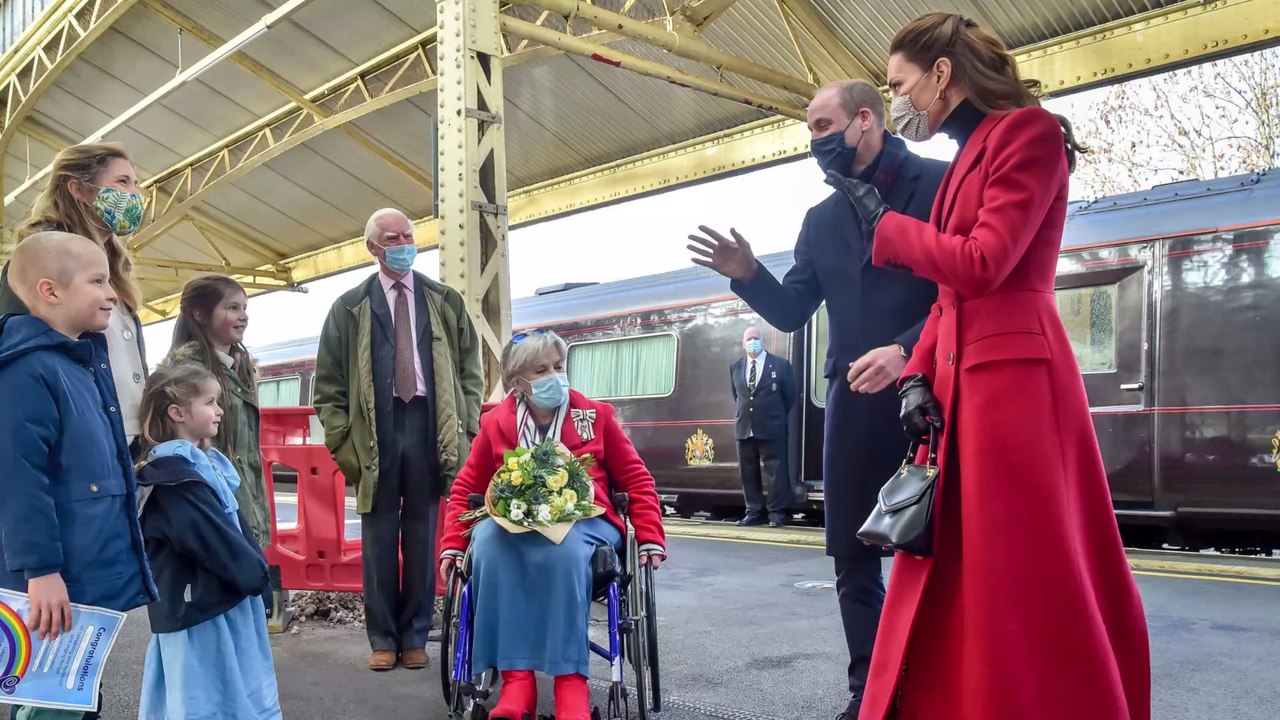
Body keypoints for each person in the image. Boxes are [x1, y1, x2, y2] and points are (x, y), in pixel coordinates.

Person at [823, 13, 1150, 720]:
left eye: (900, 83)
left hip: (1010, 383)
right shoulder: (972, 156)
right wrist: (916, 370)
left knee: (1011, 566)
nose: (897, 98)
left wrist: (886, 228)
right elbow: (948, 297)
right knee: (970, 565)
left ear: (941, 74)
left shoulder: (1027, 135)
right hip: (966, 378)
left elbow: (983, 262)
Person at [688, 79, 944, 718]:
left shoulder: (940, 184)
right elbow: (793, 311)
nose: (815, 140)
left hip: (933, 391)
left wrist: (908, 349)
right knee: (853, 556)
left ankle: (944, 686)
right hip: (854, 402)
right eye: (809, 129)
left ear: (864, 120)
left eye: (823, 125)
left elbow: (965, 286)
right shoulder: (821, 219)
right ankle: (872, 693)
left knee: (942, 546)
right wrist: (749, 275)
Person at [439, 329, 666, 720]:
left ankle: (570, 685)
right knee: (489, 542)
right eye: (541, 370)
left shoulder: (595, 416)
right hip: (516, 525)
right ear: (517, 382)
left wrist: (649, 537)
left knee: (562, 552)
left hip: (585, 521)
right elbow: (466, 487)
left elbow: (636, 480)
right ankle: (517, 681)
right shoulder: (496, 424)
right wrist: (453, 545)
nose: (555, 376)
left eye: (558, 367)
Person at [313, 208, 484, 672]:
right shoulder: (348, 307)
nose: (404, 242)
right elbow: (327, 386)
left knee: (425, 536)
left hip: (430, 426)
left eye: (408, 234)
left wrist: (466, 426)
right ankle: (382, 637)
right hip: (376, 433)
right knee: (380, 538)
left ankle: (414, 635)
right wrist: (343, 443)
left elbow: (471, 371)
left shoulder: (443, 300)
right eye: (393, 237)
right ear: (373, 247)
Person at [0, 232, 157, 720]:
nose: (113, 292)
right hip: (55, 578)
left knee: (78, 691)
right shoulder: (27, 371)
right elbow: (19, 477)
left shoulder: (81, 363)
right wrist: (40, 572)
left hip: (81, 569)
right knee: (51, 697)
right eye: (97, 281)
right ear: (50, 291)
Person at [134, 362, 282, 720]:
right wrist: (257, 578)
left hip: (212, 600)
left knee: (213, 689)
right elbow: (214, 539)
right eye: (210, 402)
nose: (219, 410)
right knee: (211, 693)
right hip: (204, 607)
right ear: (178, 412)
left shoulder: (191, 467)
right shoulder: (175, 477)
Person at [0, 143, 150, 453]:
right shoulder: (40, 263)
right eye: (122, 182)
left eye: (136, 184)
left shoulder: (115, 272)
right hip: (80, 442)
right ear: (80, 189)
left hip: (129, 441)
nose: (135, 194)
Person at [165, 275, 272, 548]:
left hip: (245, 507)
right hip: (216, 511)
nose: (243, 316)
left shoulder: (240, 369)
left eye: (245, 308)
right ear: (200, 314)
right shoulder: (185, 375)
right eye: (233, 308)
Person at [729, 326, 797, 527]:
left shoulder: (781, 365)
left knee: (775, 472)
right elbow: (738, 396)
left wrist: (772, 414)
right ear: (743, 343)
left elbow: (790, 396)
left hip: (772, 426)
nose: (752, 342)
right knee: (748, 473)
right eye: (748, 339)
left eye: (756, 338)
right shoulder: (736, 367)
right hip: (744, 428)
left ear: (763, 341)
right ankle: (753, 511)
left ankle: (776, 514)